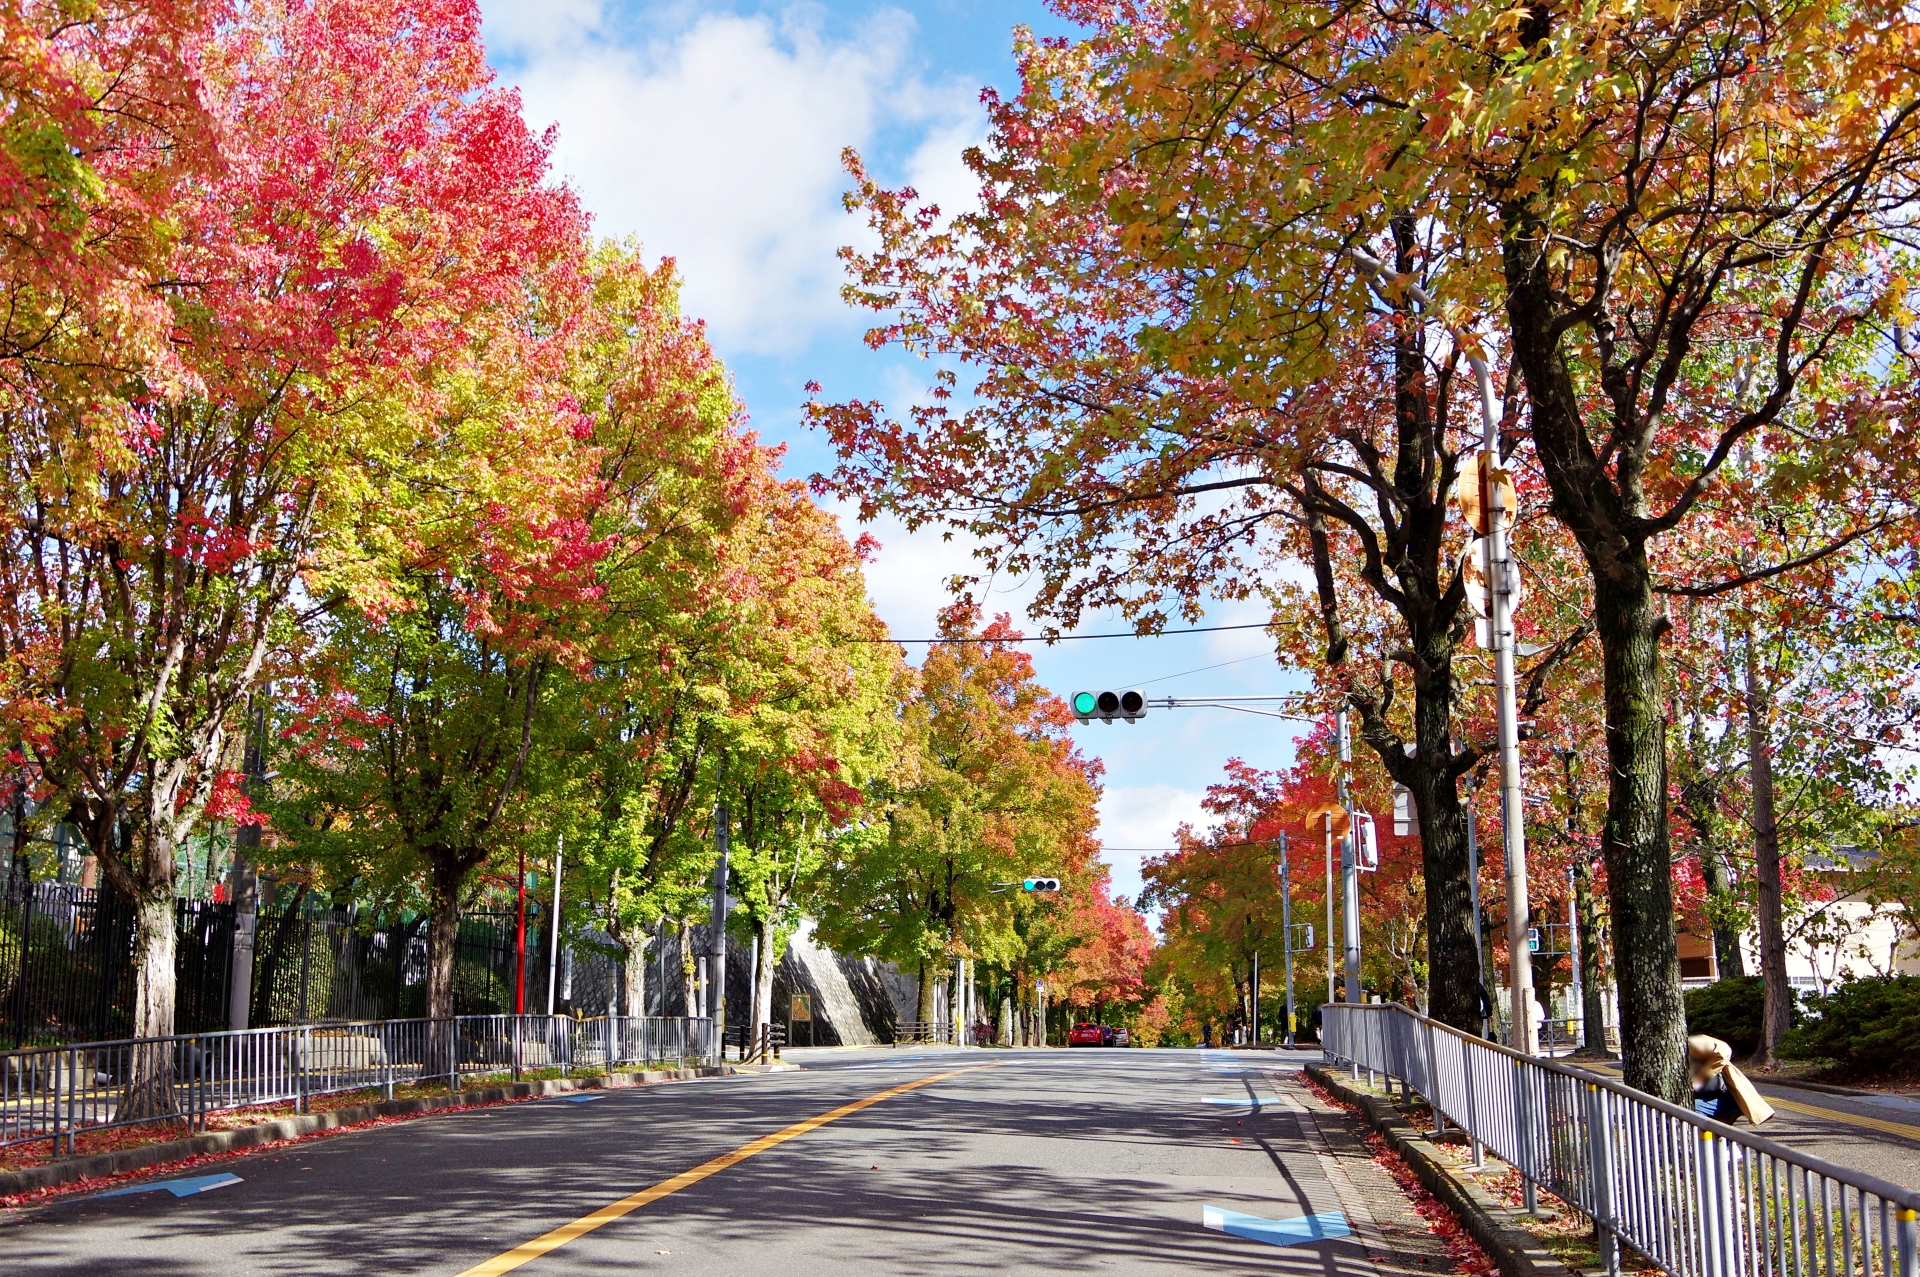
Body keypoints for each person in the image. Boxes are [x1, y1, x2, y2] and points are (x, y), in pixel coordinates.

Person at [1688, 1035, 1776, 1125]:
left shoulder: (1690, 1043)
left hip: (1730, 1096)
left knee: (1689, 1107)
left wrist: (1701, 1077)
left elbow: (1724, 1050)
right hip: (1709, 1096)